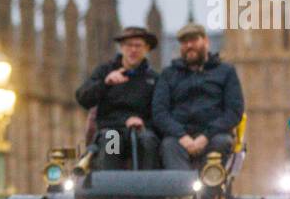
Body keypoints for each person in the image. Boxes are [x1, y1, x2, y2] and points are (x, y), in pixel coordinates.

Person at [152, 22, 245, 170]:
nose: (189, 45)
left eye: (194, 40)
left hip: (214, 136)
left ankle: (211, 190)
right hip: (179, 139)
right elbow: (159, 113)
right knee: (168, 146)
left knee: (222, 143)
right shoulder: (168, 74)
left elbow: (234, 111)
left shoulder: (226, 71)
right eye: (184, 42)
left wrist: (206, 136)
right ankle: (181, 191)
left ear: (206, 41)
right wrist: (182, 136)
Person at [74, 26, 160, 169]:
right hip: (112, 129)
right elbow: (83, 98)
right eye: (129, 45)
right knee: (111, 141)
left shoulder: (154, 79)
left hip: (141, 130)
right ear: (121, 47)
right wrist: (105, 84)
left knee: (148, 141)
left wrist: (143, 122)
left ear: (147, 49)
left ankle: (147, 187)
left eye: (138, 46)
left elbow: (159, 111)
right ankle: (109, 186)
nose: (133, 50)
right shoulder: (105, 71)